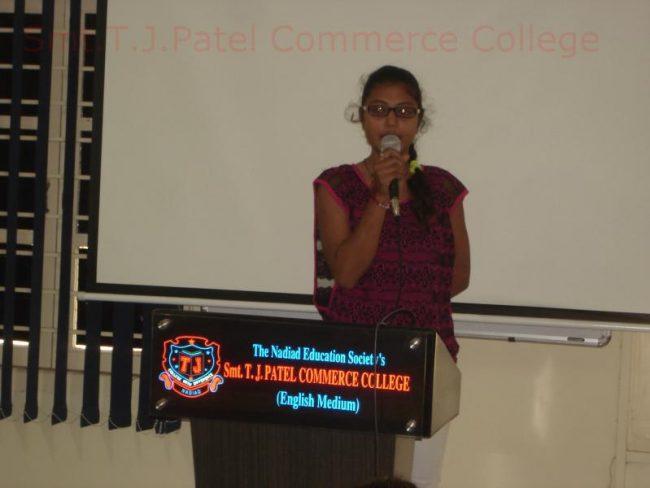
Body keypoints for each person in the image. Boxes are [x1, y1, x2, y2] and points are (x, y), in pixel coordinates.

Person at [312, 65, 471, 488]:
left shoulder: (443, 189)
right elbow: (346, 273)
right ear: (362, 118)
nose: (391, 122)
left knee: (418, 479)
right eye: (379, 110)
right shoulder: (336, 186)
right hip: (354, 364)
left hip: (425, 367)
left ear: (419, 121)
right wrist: (381, 197)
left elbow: (457, 278)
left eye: (404, 111)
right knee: (350, 476)